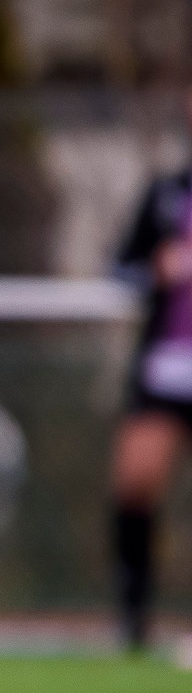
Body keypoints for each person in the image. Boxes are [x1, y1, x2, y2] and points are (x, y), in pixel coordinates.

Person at [107, 107, 192, 651]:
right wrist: (154, 272)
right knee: (135, 481)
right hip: (166, 370)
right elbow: (120, 266)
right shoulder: (165, 193)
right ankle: (133, 616)